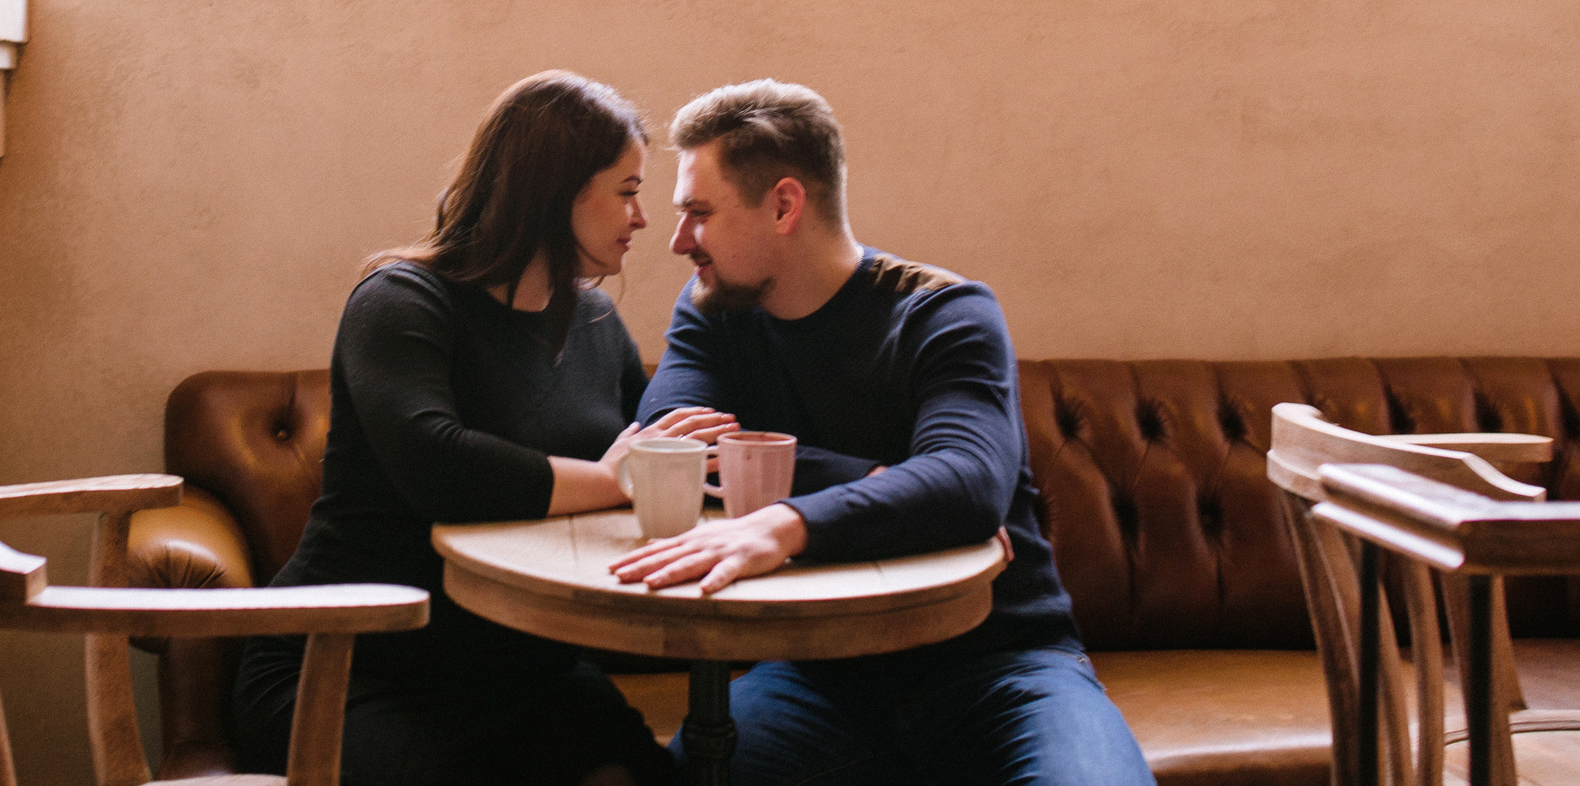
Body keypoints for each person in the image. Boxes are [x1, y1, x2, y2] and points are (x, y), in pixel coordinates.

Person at [613, 79, 1154, 786]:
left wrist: (785, 521)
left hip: (998, 662)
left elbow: (969, 483)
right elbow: (674, 443)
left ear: (784, 204)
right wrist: (881, 477)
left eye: (700, 213)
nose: (680, 239)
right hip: (816, 673)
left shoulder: (946, 314)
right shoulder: (714, 311)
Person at [234, 70, 731, 786]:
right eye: (626, 189)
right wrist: (612, 477)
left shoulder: (594, 321)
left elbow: (666, 454)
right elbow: (441, 466)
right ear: (555, 189)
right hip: (349, 663)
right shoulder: (401, 301)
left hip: (525, 665)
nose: (643, 216)